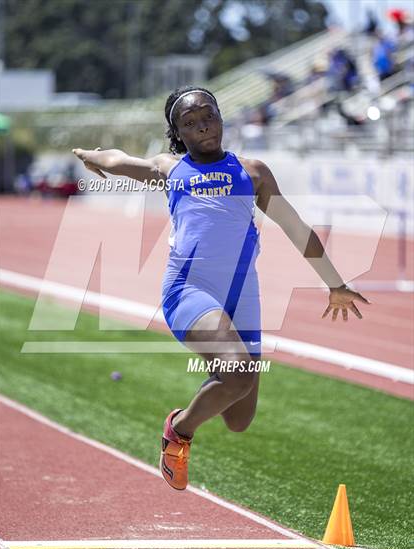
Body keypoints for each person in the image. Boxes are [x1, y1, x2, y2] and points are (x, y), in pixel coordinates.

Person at [72, 86, 371, 491]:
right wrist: (91, 157)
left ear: (221, 117)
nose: (203, 127)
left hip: (243, 294)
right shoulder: (170, 168)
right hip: (187, 290)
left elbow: (297, 229)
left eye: (208, 116)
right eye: (190, 124)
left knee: (238, 417)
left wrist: (335, 284)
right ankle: (178, 431)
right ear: (179, 134)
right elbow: (121, 161)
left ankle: (211, 383)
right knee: (239, 371)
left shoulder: (253, 173)